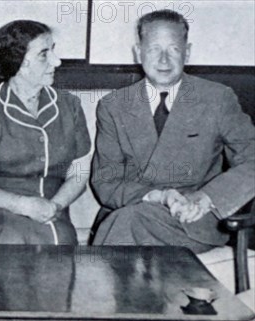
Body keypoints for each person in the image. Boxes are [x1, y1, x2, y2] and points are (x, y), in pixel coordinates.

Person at [91, 10, 255, 253]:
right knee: (130, 222)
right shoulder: (114, 106)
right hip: (134, 209)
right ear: (138, 52)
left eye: (174, 50)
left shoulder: (217, 98)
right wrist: (159, 196)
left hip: (193, 220)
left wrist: (206, 198)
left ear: (187, 52)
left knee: (126, 229)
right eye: (154, 49)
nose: (164, 60)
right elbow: (106, 180)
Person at [0, 20, 92, 245]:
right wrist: (24, 205)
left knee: (61, 241)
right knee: (11, 240)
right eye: (44, 54)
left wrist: (54, 206)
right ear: (17, 61)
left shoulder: (70, 106)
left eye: (54, 50)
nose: (56, 61)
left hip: (53, 213)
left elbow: (79, 174)